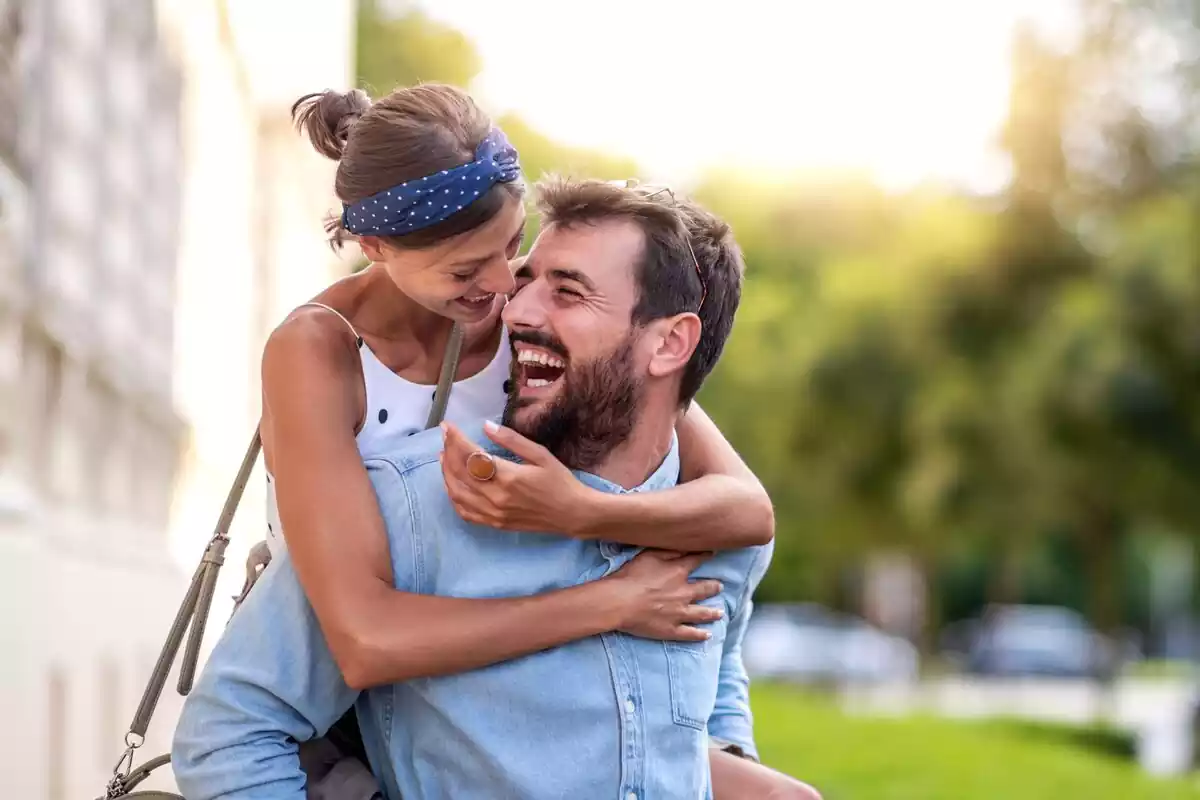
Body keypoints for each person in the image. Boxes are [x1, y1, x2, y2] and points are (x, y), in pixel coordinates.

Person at [190, 83, 817, 798]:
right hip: (351, 689)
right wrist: (610, 602)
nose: (503, 290)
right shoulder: (320, 353)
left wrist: (577, 512)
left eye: (513, 247)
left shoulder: (525, 312)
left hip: (511, 689)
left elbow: (740, 510)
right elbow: (362, 639)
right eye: (467, 269)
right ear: (373, 248)